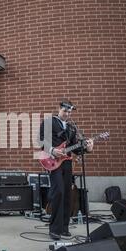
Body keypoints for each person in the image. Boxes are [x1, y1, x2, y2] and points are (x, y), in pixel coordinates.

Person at [40, 100, 93, 240]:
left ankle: (64, 227)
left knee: (67, 194)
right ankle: (54, 229)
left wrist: (87, 148)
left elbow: (76, 148)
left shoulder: (71, 127)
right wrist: (52, 150)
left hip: (67, 163)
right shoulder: (49, 121)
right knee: (58, 192)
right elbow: (40, 141)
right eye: (65, 111)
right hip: (52, 161)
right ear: (59, 109)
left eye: (69, 112)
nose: (67, 114)